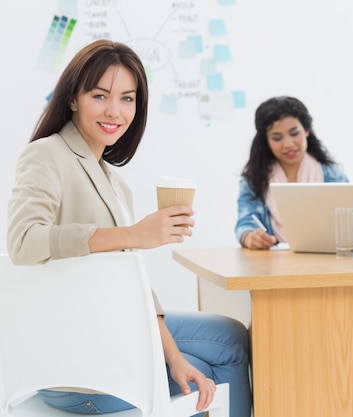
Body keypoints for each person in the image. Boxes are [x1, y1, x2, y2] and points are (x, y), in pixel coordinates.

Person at [6, 39, 251, 417]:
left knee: (231, 336)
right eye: (100, 95)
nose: (115, 111)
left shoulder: (114, 182)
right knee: (213, 371)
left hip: (113, 331)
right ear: (73, 99)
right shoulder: (47, 154)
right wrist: (133, 235)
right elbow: (23, 242)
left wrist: (172, 358)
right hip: (77, 366)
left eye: (127, 98)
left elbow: (134, 289)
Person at [236, 96, 348, 249]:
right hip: (271, 266)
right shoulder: (254, 179)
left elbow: (350, 229)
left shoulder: (335, 178)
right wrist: (249, 237)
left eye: (294, 133)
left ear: (307, 130)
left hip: (324, 265)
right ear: (266, 141)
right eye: (277, 138)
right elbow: (245, 222)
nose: (288, 144)